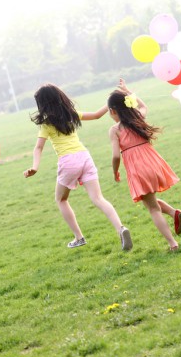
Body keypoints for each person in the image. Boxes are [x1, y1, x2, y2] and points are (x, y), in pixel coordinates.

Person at [23, 83, 133, 251]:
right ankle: (121, 228)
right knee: (98, 199)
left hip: (68, 162)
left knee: (61, 199)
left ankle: (79, 237)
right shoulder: (71, 115)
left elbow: (38, 147)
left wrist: (35, 167)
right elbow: (97, 115)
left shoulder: (46, 124)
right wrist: (112, 100)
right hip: (84, 156)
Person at [107, 79, 181, 251]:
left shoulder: (115, 130)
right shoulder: (138, 118)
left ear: (113, 111)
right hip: (153, 162)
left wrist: (115, 172)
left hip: (137, 168)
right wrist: (128, 92)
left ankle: (173, 243)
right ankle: (174, 213)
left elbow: (115, 156)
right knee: (151, 201)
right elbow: (144, 106)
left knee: (152, 208)